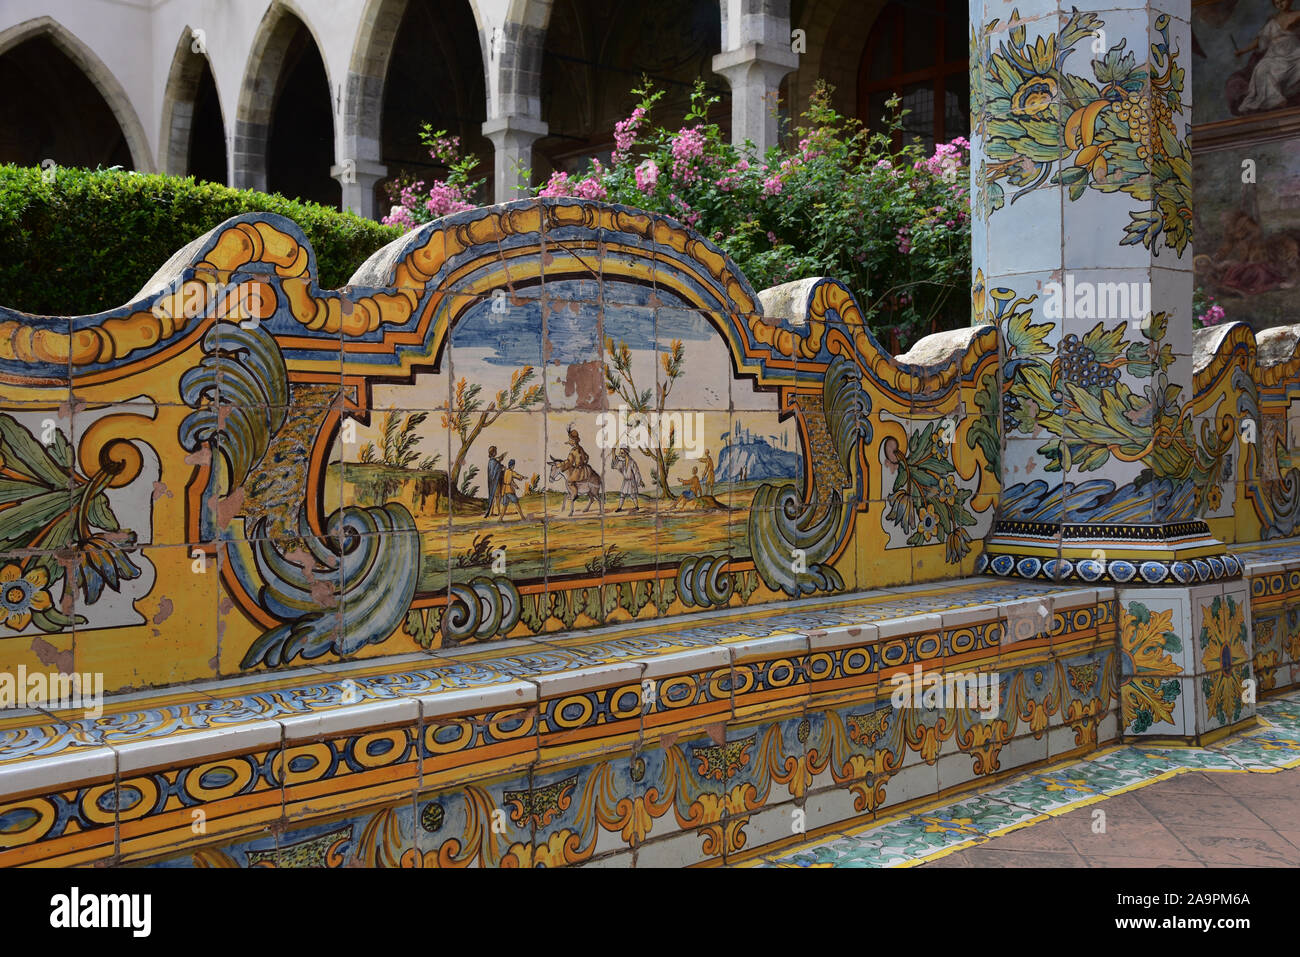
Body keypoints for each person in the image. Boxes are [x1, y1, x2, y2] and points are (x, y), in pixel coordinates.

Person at [1236, 0, 1300, 113]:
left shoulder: (1298, 14)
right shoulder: (1272, 21)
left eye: (1282, 0)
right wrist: (1242, 51)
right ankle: (1274, 99)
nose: (1280, 4)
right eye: (1276, 3)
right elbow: (1259, 40)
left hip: (1294, 51)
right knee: (1262, 67)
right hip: (1274, 54)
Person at [612, 447, 644, 512]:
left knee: (632, 495)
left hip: (631, 481)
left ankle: (637, 507)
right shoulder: (623, 462)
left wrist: (640, 481)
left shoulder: (632, 462)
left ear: (626, 453)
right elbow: (616, 463)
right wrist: (613, 452)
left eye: (622, 453)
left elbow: (636, 472)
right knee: (622, 494)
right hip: (625, 481)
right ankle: (619, 508)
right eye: (620, 453)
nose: (620, 454)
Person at [483, 445, 504, 517]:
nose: (496, 452)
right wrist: (501, 467)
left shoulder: (491, 461)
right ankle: (498, 512)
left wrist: (499, 463)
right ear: (494, 452)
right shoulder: (494, 462)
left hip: (492, 482)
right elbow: (497, 469)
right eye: (495, 451)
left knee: (492, 497)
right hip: (496, 482)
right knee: (497, 497)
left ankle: (491, 512)